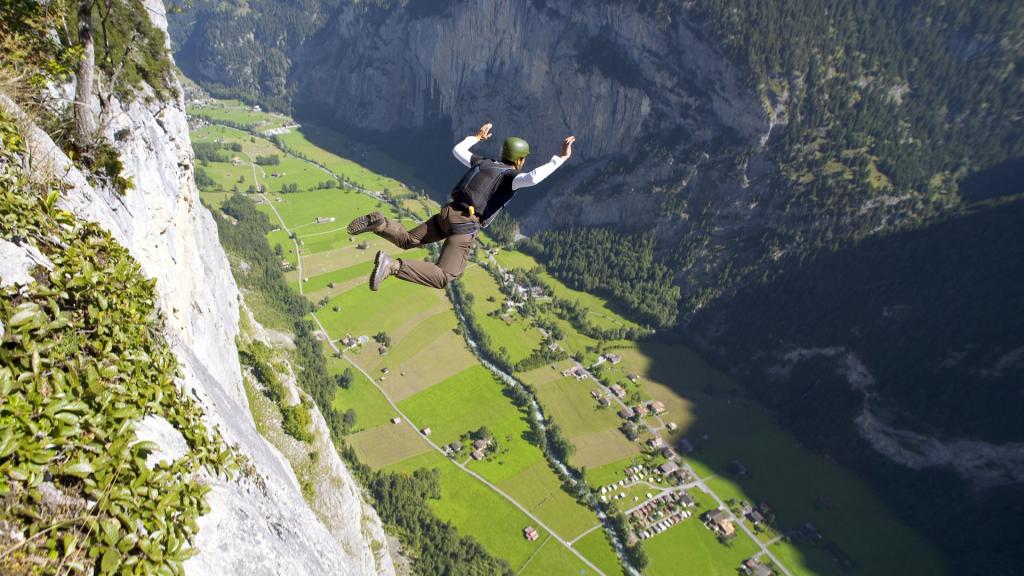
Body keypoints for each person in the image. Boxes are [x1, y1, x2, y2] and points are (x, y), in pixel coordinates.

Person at [347, 122, 575, 291]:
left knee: (408, 239)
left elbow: (458, 151)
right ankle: (392, 266)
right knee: (444, 276)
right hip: (464, 225)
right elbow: (534, 178)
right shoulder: (511, 177)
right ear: (519, 160)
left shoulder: (484, 162)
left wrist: (476, 137)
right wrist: (562, 158)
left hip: (447, 212)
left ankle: (380, 224)